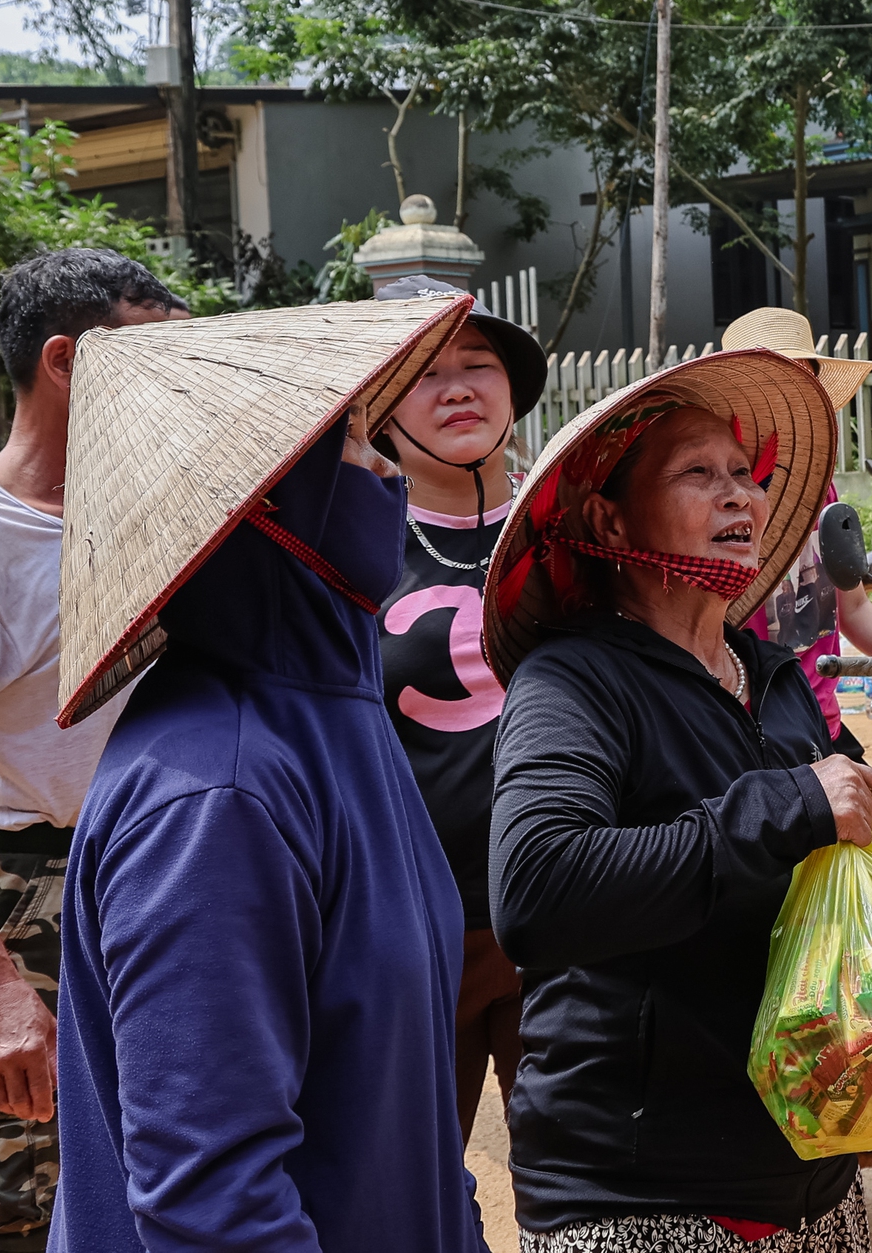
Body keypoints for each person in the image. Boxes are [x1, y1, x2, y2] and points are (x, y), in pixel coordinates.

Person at [48, 296, 486, 1253]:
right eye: (361, 443)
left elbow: (399, 1099)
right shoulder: (220, 790)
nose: (391, 470)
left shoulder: (339, 711)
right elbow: (214, 1208)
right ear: (271, 499)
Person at [484, 349, 872, 1252]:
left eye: (745, 477)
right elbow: (537, 888)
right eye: (698, 474)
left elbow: (839, 847)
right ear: (608, 515)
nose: (741, 498)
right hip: (639, 1193)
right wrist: (791, 805)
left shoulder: (776, 676)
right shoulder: (573, 681)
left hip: (812, 1172)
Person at [0, 247, 184, 1253]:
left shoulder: (160, 517)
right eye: (146, 358)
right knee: (6, 1202)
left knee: (148, 1187)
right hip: (27, 896)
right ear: (64, 363)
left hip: (157, 881)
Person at [368, 274, 549, 1148]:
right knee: (411, 1187)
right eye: (422, 372)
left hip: (564, 920)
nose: (457, 387)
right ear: (381, 408)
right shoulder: (349, 545)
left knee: (580, 1184)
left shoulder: (572, 527)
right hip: (410, 925)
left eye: (478, 362)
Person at [719, 305, 872, 735]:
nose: (789, 407)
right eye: (773, 389)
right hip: (745, 735)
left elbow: (853, 607)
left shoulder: (822, 491)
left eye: (803, 389)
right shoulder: (717, 505)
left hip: (822, 725)